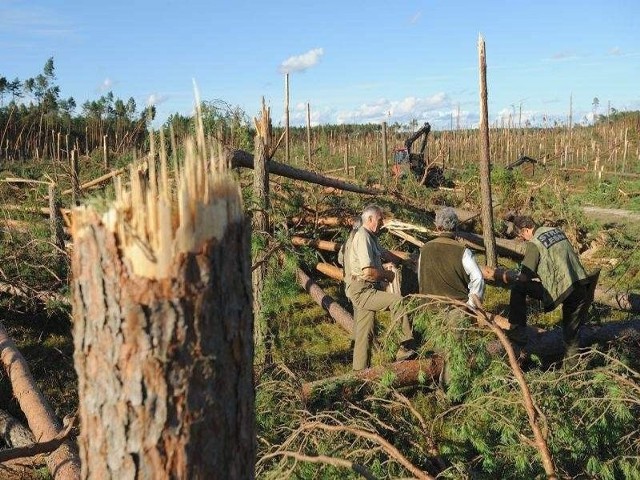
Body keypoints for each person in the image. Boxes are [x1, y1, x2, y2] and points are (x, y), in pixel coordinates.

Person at [505, 215, 592, 360]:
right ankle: (575, 367)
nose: (524, 239)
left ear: (526, 230)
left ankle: (517, 330)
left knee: (518, 287)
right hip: (580, 282)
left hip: (563, 289)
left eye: (522, 236)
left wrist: (517, 275)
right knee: (572, 333)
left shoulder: (534, 243)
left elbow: (525, 275)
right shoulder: (555, 230)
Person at [345, 204, 416, 370]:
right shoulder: (363, 237)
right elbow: (369, 272)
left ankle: (359, 374)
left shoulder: (371, 237)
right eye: (379, 219)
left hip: (365, 288)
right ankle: (403, 345)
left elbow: (385, 254)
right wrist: (387, 275)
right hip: (362, 290)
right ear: (370, 219)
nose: (382, 222)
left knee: (365, 334)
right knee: (397, 301)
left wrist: (406, 260)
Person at [418, 207, 485, 309]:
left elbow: (421, 279)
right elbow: (478, 278)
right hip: (457, 310)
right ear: (456, 228)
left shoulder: (424, 249)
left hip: (428, 310)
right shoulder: (463, 251)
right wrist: (470, 305)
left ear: (438, 228)